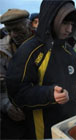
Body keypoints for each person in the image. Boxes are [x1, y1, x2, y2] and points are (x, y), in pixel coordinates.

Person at [6, 0, 76, 139]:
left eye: (72, 24)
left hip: (70, 124)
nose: (69, 30)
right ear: (52, 19)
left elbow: (75, 74)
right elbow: (17, 93)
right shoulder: (29, 51)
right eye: (65, 23)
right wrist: (49, 94)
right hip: (44, 130)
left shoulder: (69, 50)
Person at [0, 9, 33, 139]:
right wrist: (6, 104)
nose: (13, 34)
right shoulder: (2, 51)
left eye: (18, 29)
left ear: (29, 25)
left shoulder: (42, 43)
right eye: (8, 31)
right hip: (13, 118)